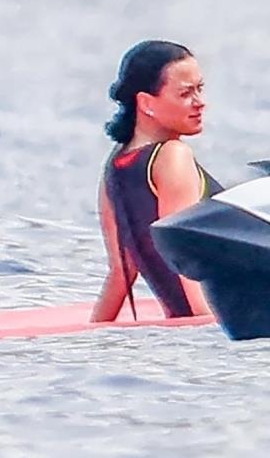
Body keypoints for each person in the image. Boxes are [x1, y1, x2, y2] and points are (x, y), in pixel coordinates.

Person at [90, 40, 223, 321]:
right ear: (146, 103)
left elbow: (120, 272)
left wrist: (95, 330)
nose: (200, 103)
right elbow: (185, 257)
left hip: (181, 321)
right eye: (186, 93)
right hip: (221, 318)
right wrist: (209, 327)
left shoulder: (116, 165)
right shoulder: (172, 156)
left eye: (200, 89)